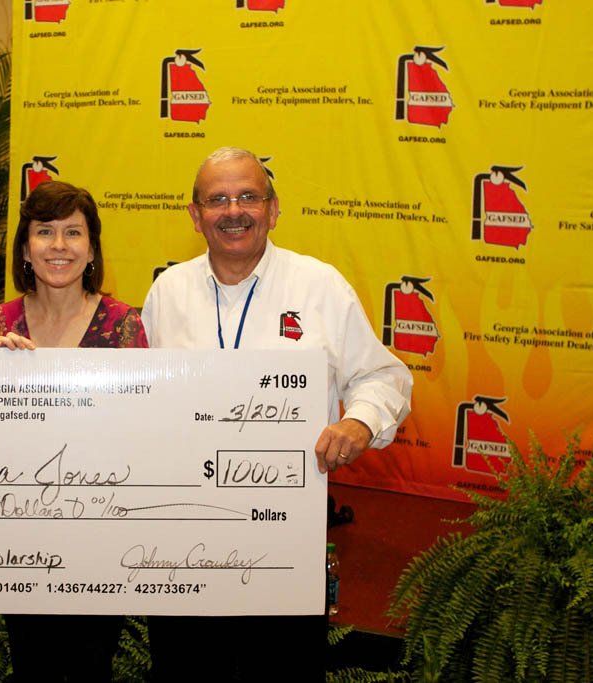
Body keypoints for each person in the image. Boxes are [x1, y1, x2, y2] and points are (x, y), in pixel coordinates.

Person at [141, 147, 412, 681]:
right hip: (182, 540)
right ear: (195, 215)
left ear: (273, 208)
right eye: (217, 200)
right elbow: (139, 397)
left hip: (285, 538)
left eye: (248, 196)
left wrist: (359, 422)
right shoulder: (167, 292)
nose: (233, 211)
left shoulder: (320, 286)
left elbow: (384, 376)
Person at [0, 180, 148, 681]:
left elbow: (143, 432)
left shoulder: (124, 325)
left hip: (101, 536)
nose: (59, 246)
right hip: (20, 537)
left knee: (90, 667)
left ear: (92, 249)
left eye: (73, 233)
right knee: (31, 664)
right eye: (44, 231)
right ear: (24, 249)